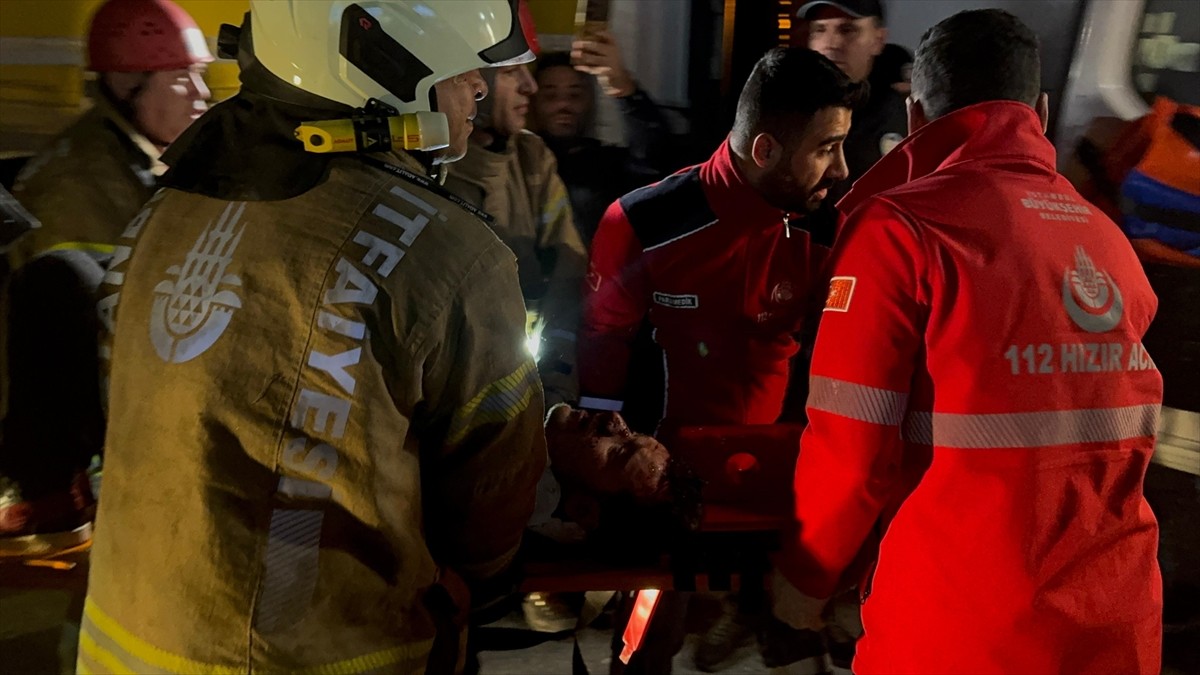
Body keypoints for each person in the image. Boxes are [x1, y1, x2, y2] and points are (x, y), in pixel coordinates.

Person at [77, 2, 546, 673]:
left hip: (118, 648)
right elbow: (487, 507)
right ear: (383, 62)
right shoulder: (453, 256)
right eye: (466, 66)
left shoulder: (160, 211)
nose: (480, 86)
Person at [773, 10, 1165, 674]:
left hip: (959, 629)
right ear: (1038, 110)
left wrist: (805, 577)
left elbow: (851, 450)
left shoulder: (901, 232)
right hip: (1117, 623)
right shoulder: (1105, 239)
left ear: (918, 113)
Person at [578, 47, 863, 674]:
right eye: (825, 148)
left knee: (801, 644)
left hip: (786, 480)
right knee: (646, 647)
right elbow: (602, 356)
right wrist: (600, 487)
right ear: (764, 151)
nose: (841, 169)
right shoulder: (644, 222)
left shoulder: (830, 230)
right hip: (668, 483)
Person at [0, 0, 212, 541]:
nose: (203, 95)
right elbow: (79, 342)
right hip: (90, 440)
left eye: (201, 77)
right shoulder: (76, 190)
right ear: (126, 82)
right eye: (183, 78)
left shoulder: (142, 159)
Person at [444, 4, 587, 409]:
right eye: (511, 72)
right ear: (468, 79)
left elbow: (569, 261)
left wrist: (557, 372)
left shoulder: (531, 157)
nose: (531, 86)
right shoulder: (426, 168)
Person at [530, 33, 676, 245]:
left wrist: (624, 89)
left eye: (575, 95)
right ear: (533, 102)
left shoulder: (606, 165)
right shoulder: (517, 162)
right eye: (550, 96)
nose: (563, 105)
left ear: (589, 101)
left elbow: (653, 160)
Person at [799, 0, 907, 201]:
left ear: (878, 40)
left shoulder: (896, 118)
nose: (830, 43)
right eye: (820, 30)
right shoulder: (787, 110)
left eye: (847, 30)